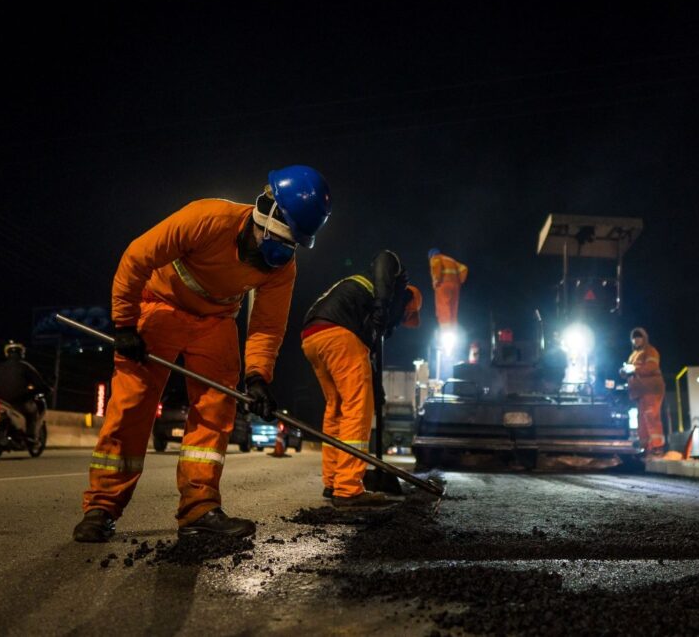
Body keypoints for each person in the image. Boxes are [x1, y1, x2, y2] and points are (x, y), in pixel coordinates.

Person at [72, 165, 331, 543]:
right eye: (276, 241)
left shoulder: (282, 267)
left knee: (216, 406)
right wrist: (125, 325)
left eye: (290, 246)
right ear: (266, 209)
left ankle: (199, 508)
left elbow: (266, 325)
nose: (278, 254)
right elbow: (136, 258)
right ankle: (101, 507)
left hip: (216, 320)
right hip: (160, 305)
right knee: (132, 403)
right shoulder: (206, 218)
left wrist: (258, 376)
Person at [301, 250, 422, 508]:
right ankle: (348, 489)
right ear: (408, 302)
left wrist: (376, 387)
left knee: (336, 409)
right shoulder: (394, 285)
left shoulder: (370, 312)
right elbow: (386, 258)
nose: (401, 322)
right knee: (357, 409)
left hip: (313, 334)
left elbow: (370, 357)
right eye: (406, 316)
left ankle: (333, 480)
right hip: (339, 332)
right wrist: (381, 305)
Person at [0, 341, 49, 442]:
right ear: (22, 353)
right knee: (32, 412)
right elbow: (39, 383)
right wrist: (47, 389)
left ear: (7, 353)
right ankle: (30, 436)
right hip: (17, 400)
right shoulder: (25, 366)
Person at [621, 327, 666, 455]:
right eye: (634, 338)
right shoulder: (633, 355)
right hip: (640, 392)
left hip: (651, 389)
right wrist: (624, 371)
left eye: (638, 337)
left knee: (651, 416)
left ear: (644, 338)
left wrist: (633, 369)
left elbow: (651, 367)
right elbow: (631, 371)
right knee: (642, 418)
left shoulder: (651, 351)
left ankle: (657, 447)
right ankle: (646, 447)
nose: (636, 340)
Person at [428, 248, 467, 329]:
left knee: (443, 306)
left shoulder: (435, 258)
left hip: (443, 285)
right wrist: (460, 281)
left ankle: (445, 329)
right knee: (453, 307)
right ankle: (453, 328)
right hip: (455, 286)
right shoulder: (451, 260)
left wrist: (436, 280)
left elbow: (436, 267)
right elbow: (464, 268)